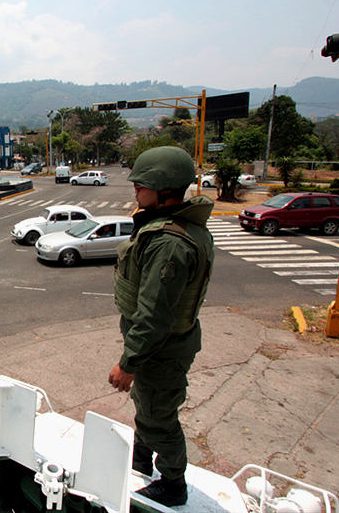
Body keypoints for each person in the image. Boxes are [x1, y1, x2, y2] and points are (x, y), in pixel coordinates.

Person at [108, 146, 214, 507]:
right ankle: (141, 459)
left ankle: (172, 484)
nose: (135, 191)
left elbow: (154, 316)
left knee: (159, 418)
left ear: (163, 188)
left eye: (141, 186)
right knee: (148, 404)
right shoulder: (176, 227)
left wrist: (127, 364)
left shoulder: (169, 244)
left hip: (160, 349)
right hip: (161, 349)